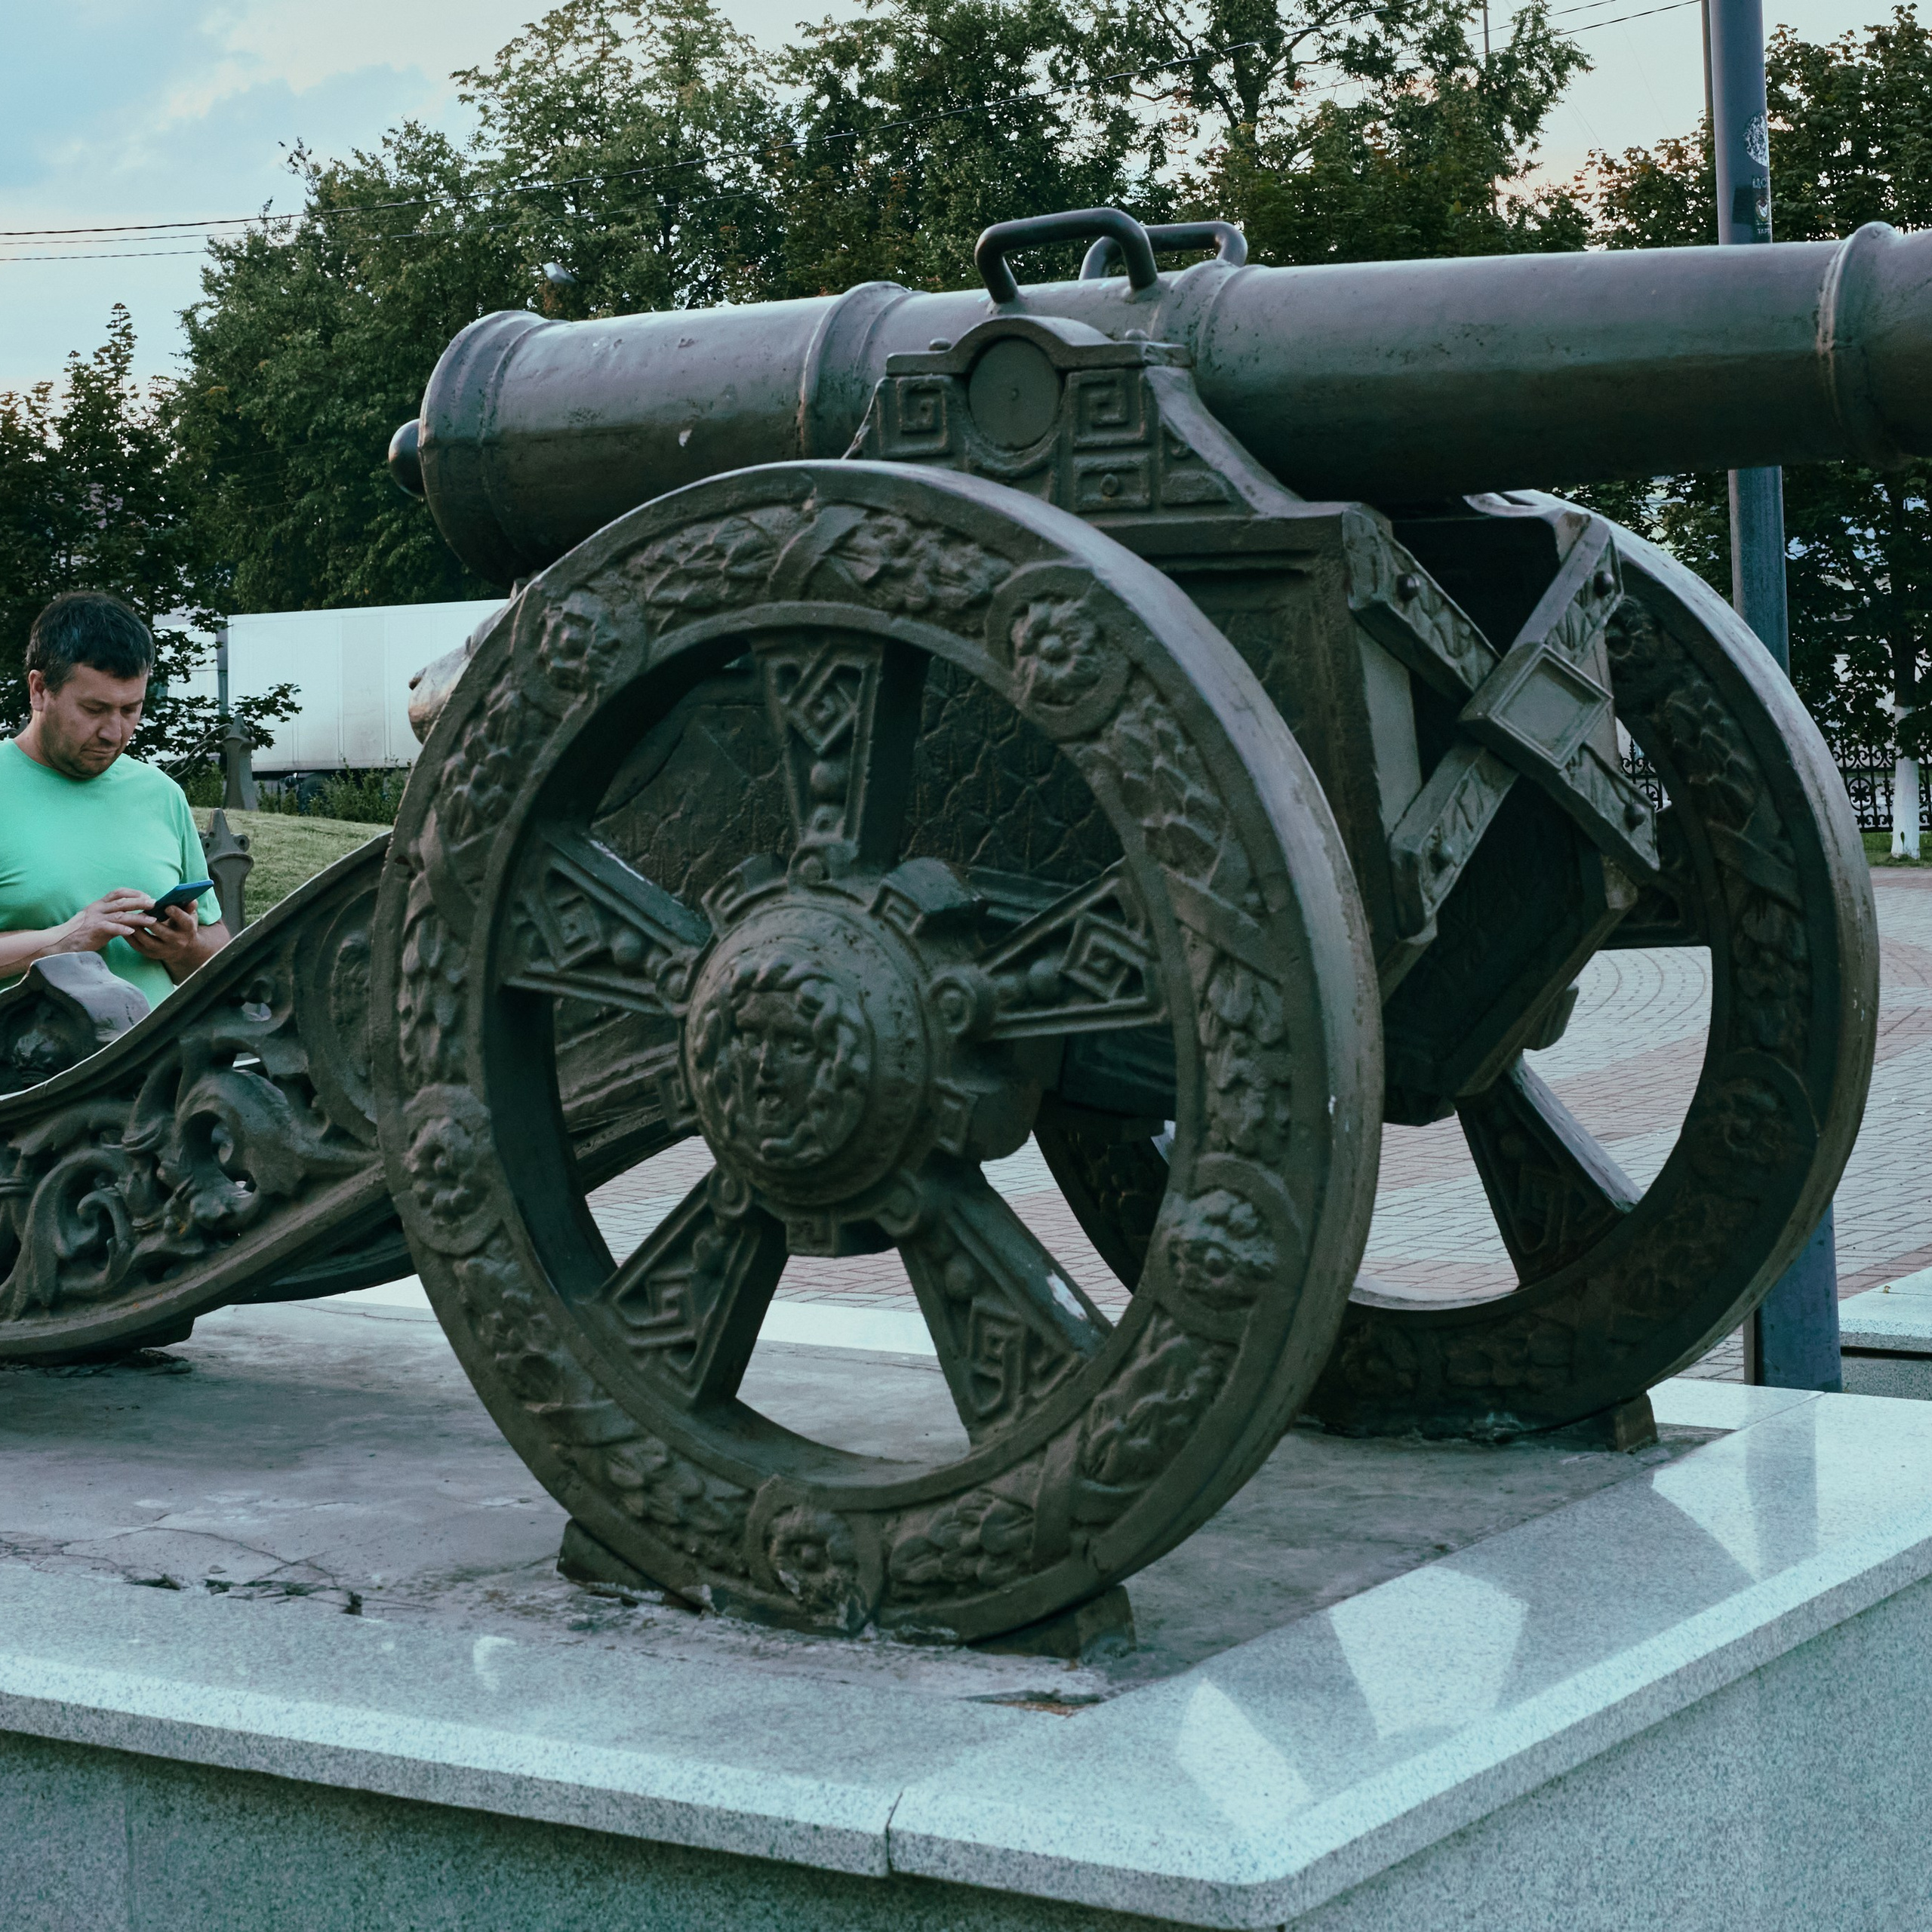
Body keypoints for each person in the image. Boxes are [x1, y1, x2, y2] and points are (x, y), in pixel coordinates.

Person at [0, 592, 229, 1011]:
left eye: (131, 709)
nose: (114, 732)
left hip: (159, 1071)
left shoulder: (160, 793)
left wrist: (184, 947)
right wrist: (62, 940)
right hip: (34, 1073)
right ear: (39, 690)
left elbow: (219, 952)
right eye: (94, 708)